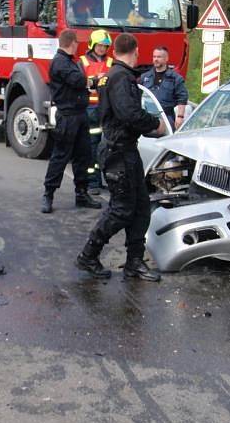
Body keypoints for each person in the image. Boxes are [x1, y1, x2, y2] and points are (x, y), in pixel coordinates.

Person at [76, 33, 167, 281]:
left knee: (139, 208)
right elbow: (130, 114)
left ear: (114, 50)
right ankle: (88, 255)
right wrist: (156, 124)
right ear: (135, 51)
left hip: (124, 150)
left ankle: (134, 262)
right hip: (118, 152)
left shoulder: (113, 76)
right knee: (121, 210)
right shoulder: (121, 78)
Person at [41, 29, 101, 214]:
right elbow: (77, 80)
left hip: (79, 114)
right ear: (72, 43)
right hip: (67, 117)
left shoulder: (70, 61)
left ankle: (81, 194)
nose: (78, 46)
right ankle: (48, 194)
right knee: (60, 156)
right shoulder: (60, 62)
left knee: (83, 155)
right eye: (77, 43)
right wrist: (94, 81)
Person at [78, 30, 113, 195]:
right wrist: (95, 80)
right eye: (99, 45)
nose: (102, 49)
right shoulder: (83, 62)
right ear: (92, 44)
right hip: (90, 110)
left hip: (106, 109)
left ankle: (101, 180)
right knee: (91, 147)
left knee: (105, 146)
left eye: (105, 46)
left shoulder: (112, 62)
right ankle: (92, 183)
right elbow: (79, 83)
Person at [140, 46, 188, 131]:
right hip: (147, 116)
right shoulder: (145, 77)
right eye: (154, 56)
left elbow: (182, 98)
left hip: (166, 117)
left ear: (166, 59)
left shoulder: (175, 78)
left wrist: (180, 116)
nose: (156, 59)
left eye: (159, 57)